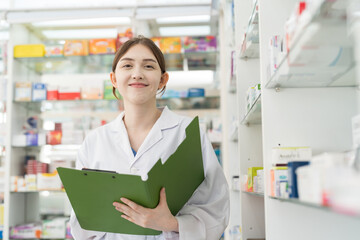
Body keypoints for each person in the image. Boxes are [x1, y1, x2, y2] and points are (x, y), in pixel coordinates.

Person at [69, 35, 230, 240]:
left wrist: (170, 223)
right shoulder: (94, 142)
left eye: (148, 66)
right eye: (127, 66)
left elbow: (217, 209)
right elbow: (80, 221)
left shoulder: (187, 133)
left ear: (163, 79)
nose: (137, 74)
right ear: (114, 79)